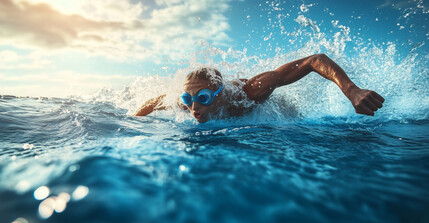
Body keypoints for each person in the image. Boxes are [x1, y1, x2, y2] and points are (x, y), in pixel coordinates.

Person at [133, 54, 384, 123]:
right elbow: (153, 103)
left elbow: (314, 60)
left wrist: (352, 91)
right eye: (189, 98)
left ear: (219, 94)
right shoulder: (188, 102)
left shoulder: (251, 92)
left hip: (276, 109)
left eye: (204, 97)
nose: (194, 107)